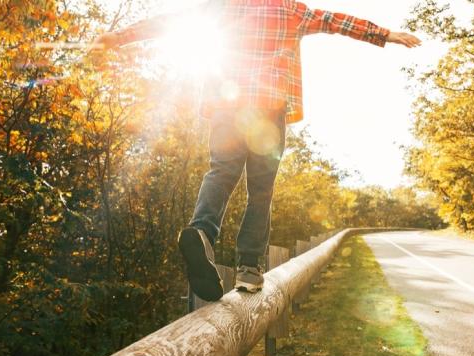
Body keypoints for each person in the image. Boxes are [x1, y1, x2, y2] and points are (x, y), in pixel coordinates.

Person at [94, 0, 421, 301]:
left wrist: (116, 38)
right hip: (267, 109)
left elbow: (169, 23)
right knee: (260, 191)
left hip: (226, 106)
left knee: (220, 172)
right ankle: (249, 268)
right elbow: (335, 21)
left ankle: (201, 232)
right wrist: (385, 34)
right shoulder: (289, 8)